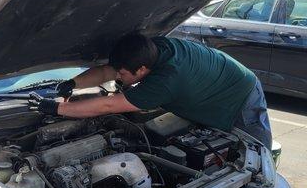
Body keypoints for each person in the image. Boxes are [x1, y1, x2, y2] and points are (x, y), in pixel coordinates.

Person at [33, 33, 272, 150]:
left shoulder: (164, 82)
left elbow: (108, 105)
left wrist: (59, 108)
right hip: (213, 86)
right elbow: (110, 71)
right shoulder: (152, 48)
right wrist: (72, 84)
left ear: (143, 69)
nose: (118, 77)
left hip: (241, 96)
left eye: (124, 74)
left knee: (252, 155)